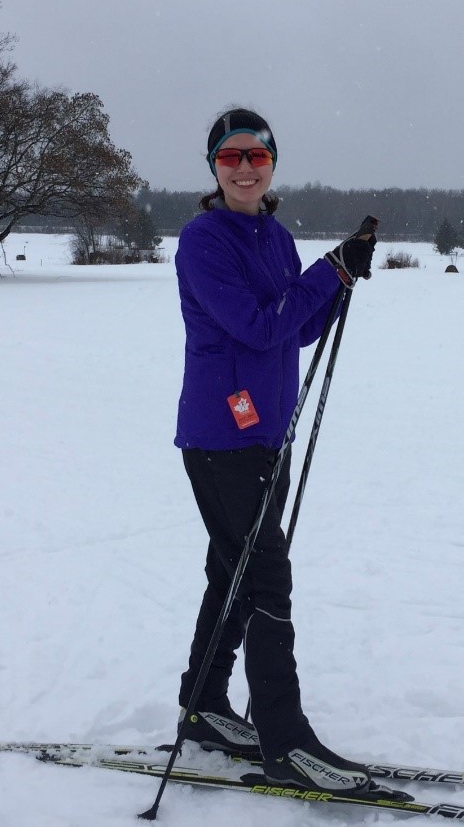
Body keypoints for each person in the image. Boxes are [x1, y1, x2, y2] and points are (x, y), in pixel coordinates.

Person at [173, 107, 375, 794]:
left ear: (271, 164)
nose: (244, 168)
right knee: (264, 578)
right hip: (221, 435)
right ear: (213, 168)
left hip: (265, 431)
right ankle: (284, 740)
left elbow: (297, 326)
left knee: (233, 573)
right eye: (230, 157)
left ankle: (202, 706)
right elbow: (256, 327)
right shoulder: (205, 239)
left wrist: (338, 280)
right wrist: (324, 274)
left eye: (255, 156)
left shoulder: (274, 236)